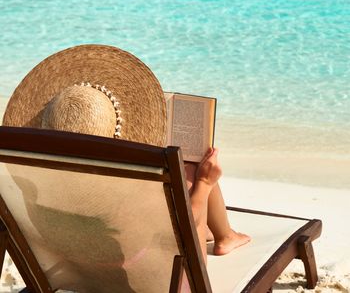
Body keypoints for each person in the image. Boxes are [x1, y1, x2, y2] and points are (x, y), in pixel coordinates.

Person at [3, 44, 250, 274]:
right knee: (196, 169)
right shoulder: (127, 193)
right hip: (141, 270)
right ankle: (225, 236)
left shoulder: (34, 184)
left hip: (77, 267)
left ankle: (222, 234)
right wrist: (205, 184)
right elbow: (183, 229)